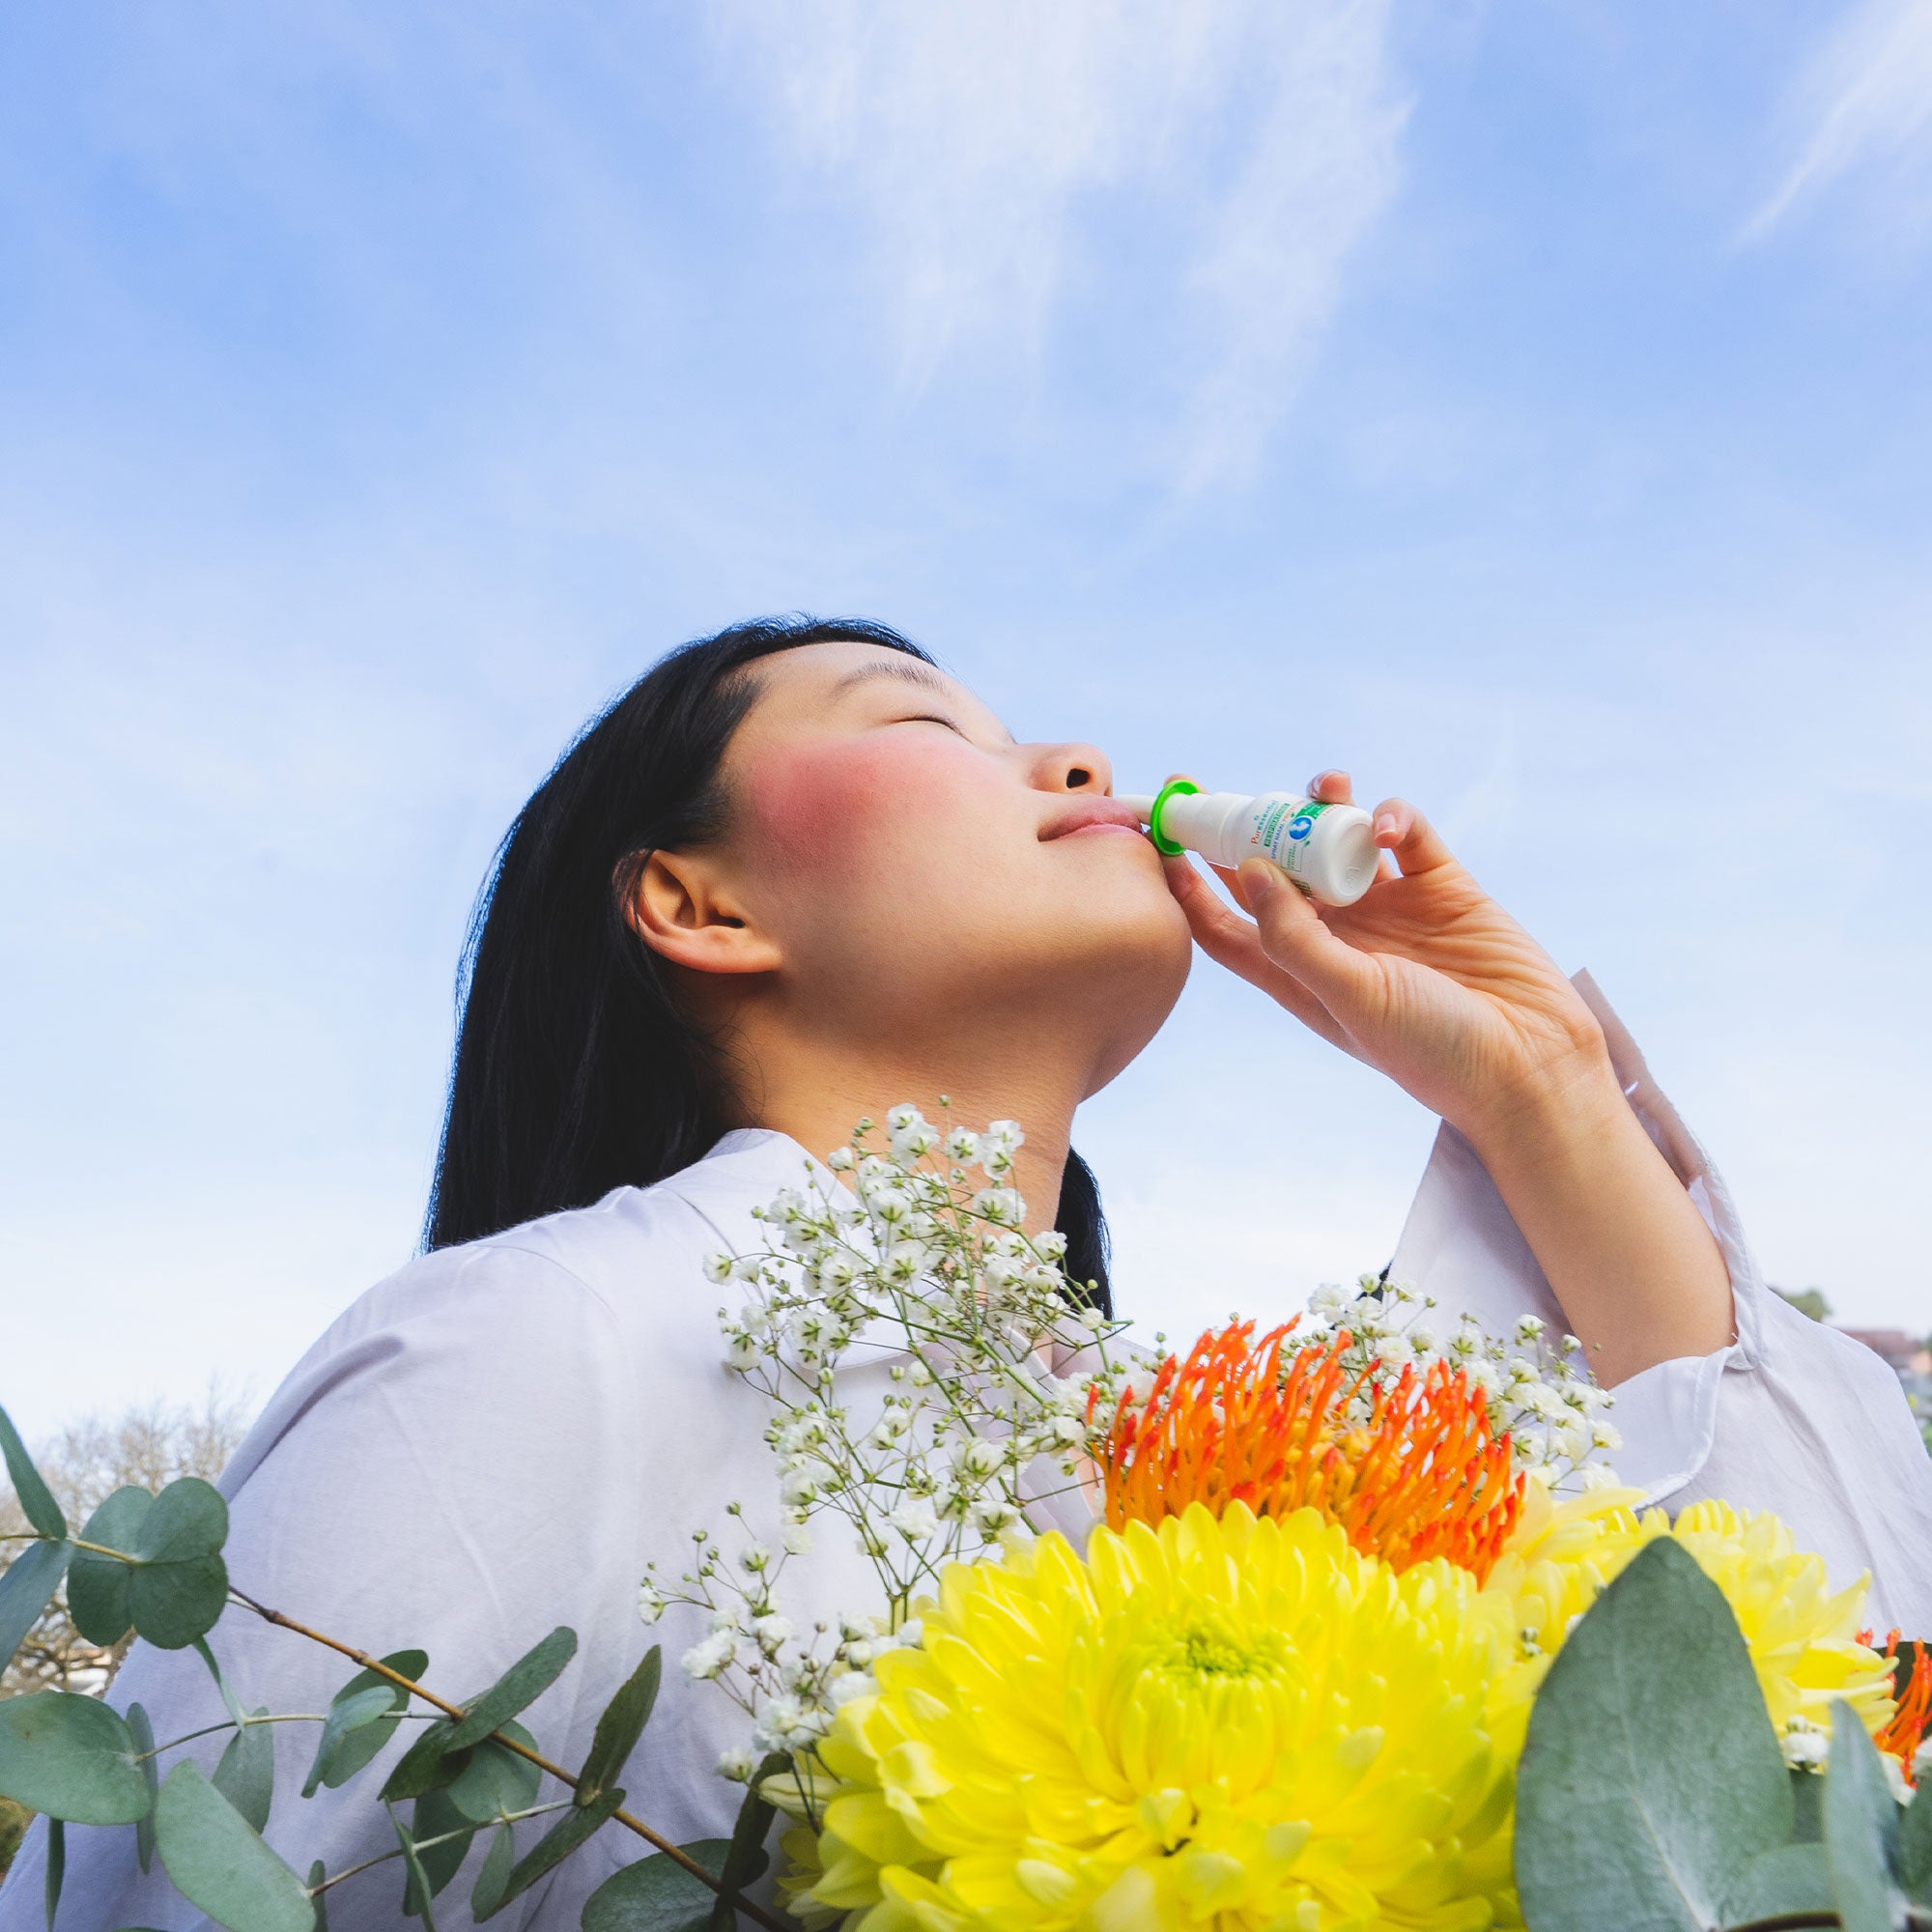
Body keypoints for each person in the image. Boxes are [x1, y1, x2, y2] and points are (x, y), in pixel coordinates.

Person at [10, 615, 1929, 1930]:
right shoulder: (532, 1352)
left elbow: (1817, 1743)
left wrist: (1542, 1091)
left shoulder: (1202, 1483)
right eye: (929, 724)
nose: (1077, 757)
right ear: (701, 901)